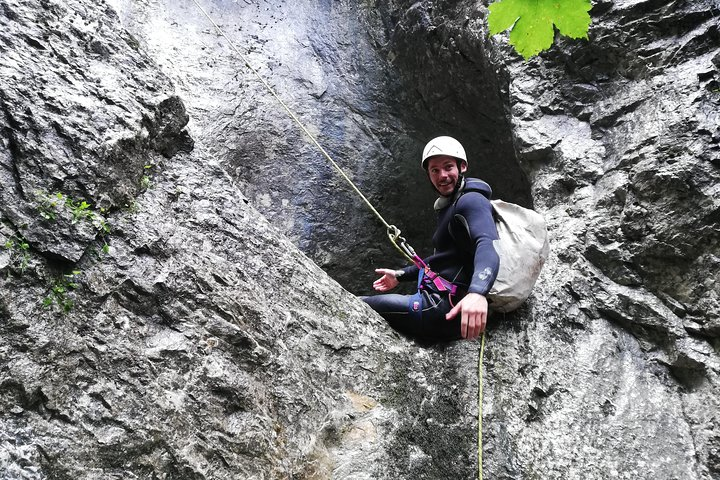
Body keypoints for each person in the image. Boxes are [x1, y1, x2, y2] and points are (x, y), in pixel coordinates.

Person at [362, 136, 500, 342]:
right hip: (439, 303)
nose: (442, 175)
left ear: (462, 167)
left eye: (448, 167)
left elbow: (487, 244)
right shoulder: (451, 206)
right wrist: (399, 275)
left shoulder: (471, 200)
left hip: (442, 308)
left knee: (357, 303)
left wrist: (477, 293)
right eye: (434, 170)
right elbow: (442, 261)